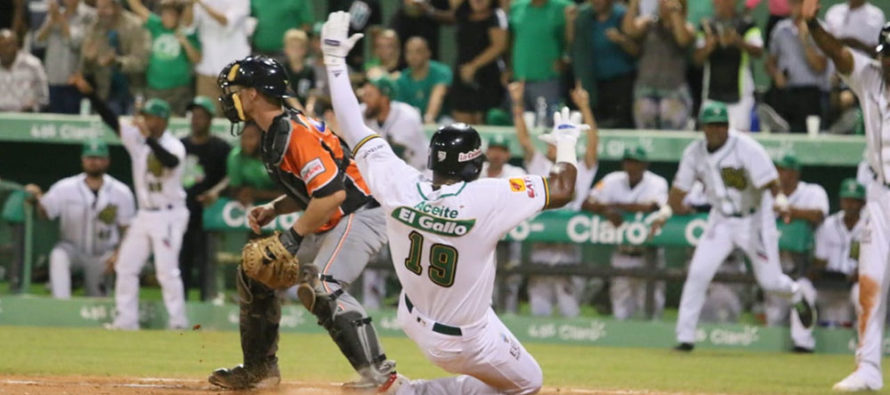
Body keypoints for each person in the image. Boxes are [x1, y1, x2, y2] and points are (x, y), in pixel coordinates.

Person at [322, 11, 580, 393]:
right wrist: (568, 143)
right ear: (474, 164)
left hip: (412, 317)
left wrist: (334, 61)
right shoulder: (486, 196)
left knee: (484, 323)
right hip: (462, 338)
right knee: (528, 385)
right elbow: (563, 189)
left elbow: (352, 123)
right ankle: (407, 391)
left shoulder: (399, 182)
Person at [209, 55, 394, 390]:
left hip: (361, 212)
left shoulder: (294, 134)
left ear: (254, 94)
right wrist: (275, 208)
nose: (229, 97)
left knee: (323, 284)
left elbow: (332, 195)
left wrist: (291, 238)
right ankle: (260, 369)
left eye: (235, 90)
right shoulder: (276, 131)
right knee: (255, 274)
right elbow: (314, 191)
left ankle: (381, 375)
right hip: (336, 214)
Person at [649, 100, 813, 352]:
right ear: (702, 127)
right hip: (721, 219)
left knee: (770, 282)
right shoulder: (694, 152)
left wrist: (779, 199)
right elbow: (679, 188)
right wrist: (665, 212)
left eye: (720, 124)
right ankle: (685, 337)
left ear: (727, 125)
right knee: (697, 273)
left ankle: (795, 294)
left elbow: (771, 180)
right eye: (710, 125)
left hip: (754, 218)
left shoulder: (746, 148)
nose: (715, 130)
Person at [802, 0, 890, 388]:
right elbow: (836, 52)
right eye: (884, 54)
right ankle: (867, 368)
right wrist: (810, 22)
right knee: (870, 277)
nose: (886, 62)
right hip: (880, 194)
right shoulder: (870, 77)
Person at [71, 74, 189, 331]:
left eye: (151, 117)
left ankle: (178, 323)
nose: (145, 120)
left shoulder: (173, 144)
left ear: (162, 120)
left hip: (169, 214)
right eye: (145, 116)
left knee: (166, 272)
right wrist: (90, 93)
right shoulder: (138, 140)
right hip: (145, 214)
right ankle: (126, 321)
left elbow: (170, 162)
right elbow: (111, 119)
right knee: (126, 265)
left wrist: (146, 137)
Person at [511, 80, 599, 317]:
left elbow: (593, 145)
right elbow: (524, 140)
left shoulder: (578, 167)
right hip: (541, 242)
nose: (552, 148)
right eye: (551, 144)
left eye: (557, 144)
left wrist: (585, 107)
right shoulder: (539, 163)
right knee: (539, 306)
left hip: (568, 245)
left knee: (570, 308)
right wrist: (517, 103)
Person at [24, 139, 135, 299]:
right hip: (72, 250)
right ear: (83, 160)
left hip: (103, 254)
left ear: (107, 161)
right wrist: (37, 196)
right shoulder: (65, 187)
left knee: (97, 301)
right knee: (58, 255)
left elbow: (128, 229)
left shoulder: (121, 191)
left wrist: (119, 254)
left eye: (98, 158)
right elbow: (46, 213)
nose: (94, 162)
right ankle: (60, 305)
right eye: (90, 157)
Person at [583, 146, 668, 320]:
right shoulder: (612, 179)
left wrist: (613, 206)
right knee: (620, 309)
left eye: (636, 162)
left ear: (645, 164)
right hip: (622, 253)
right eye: (629, 161)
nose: (632, 166)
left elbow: (651, 207)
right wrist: (606, 212)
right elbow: (587, 202)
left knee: (652, 309)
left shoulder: (657, 182)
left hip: (648, 253)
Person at [791, 178, 866, 353]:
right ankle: (802, 344)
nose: (850, 204)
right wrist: (816, 271)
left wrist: (861, 273)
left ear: (863, 203)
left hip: (852, 285)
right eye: (847, 199)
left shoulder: (869, 228)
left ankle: (864, 347)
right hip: (828, 285)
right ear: (840, 201)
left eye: (855, 200)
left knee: (863, 291)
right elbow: (820, 260)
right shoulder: (828, 225)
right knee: (802, 288)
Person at [179, 96, 231, 301]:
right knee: (181, 260)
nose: (196, 120)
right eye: (193, 116)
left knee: (206, 261)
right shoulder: (180, 145)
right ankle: (179, 305)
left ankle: (206, 303)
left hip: (209, 213)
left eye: (201, 116)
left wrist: (216, 191)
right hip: (182, 211)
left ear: (210, 119)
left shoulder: (221, 147)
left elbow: (230, 176)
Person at [622, 0, 695, 130]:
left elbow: (683, 40)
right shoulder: (649, 24)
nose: (664, 4)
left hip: (674, 92)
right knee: (646, 136)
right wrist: (633, 5)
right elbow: (629, 30)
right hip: (645, 90)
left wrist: (675, 14)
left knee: (670, 135)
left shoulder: (687, 28)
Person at [693, 0, 764, 131]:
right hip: (711, 96)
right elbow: (697, 59)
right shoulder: (707, 26)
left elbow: (758, 51)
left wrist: (738, 42)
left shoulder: (747, 24)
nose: (716, 3)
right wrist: (710, 45)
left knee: (740, 141)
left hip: (740, 98)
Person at [569, 0, 638, 128]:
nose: (596, 2)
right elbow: (572, 45)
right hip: (596, 84)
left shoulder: (621, 14)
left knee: (619, 125)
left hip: (620, 83)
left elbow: (637, 51)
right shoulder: (586, 16)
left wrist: (621, 40)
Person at [125, 0, 201, 116]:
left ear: (179, 17)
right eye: (164, 14)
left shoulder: (187, 31)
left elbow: (196, 59)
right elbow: (136, 7)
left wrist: (185, 43)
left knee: (178, 123)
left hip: (179, 90)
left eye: (171, 15)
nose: (167, 18)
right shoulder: (156, 25)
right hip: (155, 88)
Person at [765, 0, 830, 133]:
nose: (794, 6)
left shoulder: (821, 30)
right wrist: (776, 73)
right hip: (785, 94)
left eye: (798, 3)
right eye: (792, 2)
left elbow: (820, 66)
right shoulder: (780, 29)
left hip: (810, 95)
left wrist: (805, 41)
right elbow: (770, 62)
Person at [480, 134, 527, 314]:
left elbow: (521, 199)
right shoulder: (476, 171)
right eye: (494, 149)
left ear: (508, 155)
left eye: (502, 150)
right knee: (479, 278)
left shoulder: (516, 174)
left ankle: (509, 316)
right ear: (487, 152)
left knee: (510, 279)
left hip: (509, 233)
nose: (497, 154)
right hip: (480, 235)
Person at [78, 0, 150, 115]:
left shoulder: (136, 26)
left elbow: (142, 61)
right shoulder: (93, 29)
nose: (101, 12)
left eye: (105, 7)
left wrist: (117, 62)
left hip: (134, 92)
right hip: (106, 94)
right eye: (99, 8)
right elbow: (84, 69)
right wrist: (88, 60)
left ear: (118, 7)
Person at [184, 0, 251, 115]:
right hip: (207, 68)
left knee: (237, 115)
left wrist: (201, 4)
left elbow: (226, 21)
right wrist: (189, 5)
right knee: (205, 115)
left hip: (234, 70)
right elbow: (188, 25)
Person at [509, 0, 572, 119]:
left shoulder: (564, 7)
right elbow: (510, 39)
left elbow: (570, 38)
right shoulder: (516, 7)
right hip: (519, 79)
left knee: (546, 126)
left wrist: (566, 57)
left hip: (547, 78)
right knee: (519, 125)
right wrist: (508, 67)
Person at [449, 0, 508, 125]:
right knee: (461, 120)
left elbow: (499, 45)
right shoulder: (462, 12)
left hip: (487, 76)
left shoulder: (497, 15)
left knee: (483, 121)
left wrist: (473, 66)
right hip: (462, 72)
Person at [35, 0, 95, 114]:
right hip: (52, 78)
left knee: (72, 120)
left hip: (73, 80)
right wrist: (51, 21)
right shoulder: (54, 14)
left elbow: (75, 42)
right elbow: (38, 41)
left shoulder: (88, 15)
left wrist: (61, 20)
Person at [361, 76, 428, 170]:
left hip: (419, 172)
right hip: (394, 172)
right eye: (365, 95)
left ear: (384, 99)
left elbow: (394, 154)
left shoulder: (407, 116)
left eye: (370, 95)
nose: (365, 100)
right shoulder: (365, 112)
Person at [396, 36, 452, 124]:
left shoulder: (441, 71)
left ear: (428, 53)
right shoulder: (401, 79)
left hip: (439, 121)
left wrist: (429, 118)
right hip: (413, 123)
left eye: (418, 51)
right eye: (409, 52)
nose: (413, 56)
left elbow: (438, 94)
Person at [226, 121, 281, 206]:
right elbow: (234, 190)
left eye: (251, 137)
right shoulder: (236, 156)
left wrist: (258, 194)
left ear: (262, 137)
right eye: (243, 137)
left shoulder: (276, 155)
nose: (246, 142)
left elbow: (291, 195)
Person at [0, 29, 48, 112]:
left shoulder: (33, 66)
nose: (4, 50)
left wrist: (33, 108)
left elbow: (43, 99)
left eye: (7, 45)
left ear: (16, 46)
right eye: (1, 46)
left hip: (26, 118)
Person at [281, 28, 315, 105]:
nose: (296, 51)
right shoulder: (282, 69)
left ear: (305, 49)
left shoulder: (309, 70)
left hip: (304, 110)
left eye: (299, 47)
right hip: (286, 110)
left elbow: (312, 93)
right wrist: (302, 112)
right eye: (292, 47)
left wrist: (310, 108)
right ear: (286, 49)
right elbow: (288, 94)